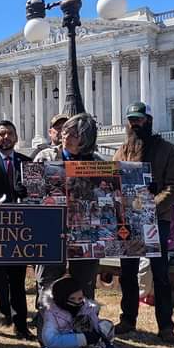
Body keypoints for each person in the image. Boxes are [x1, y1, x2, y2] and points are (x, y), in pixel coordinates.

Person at [112, 102, 174, 342]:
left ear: (149, 121)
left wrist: (151, 207)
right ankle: (127, 319)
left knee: (160, 274)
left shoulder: (167, 150)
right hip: (128, 223)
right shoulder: (121, 151)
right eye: (131, 119)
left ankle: (166, 325)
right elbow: (113, 184)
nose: (134, 123)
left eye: (139, 119)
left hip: (156, 221)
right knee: (127, 272)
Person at [33, 113, 106, 305]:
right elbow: (32, 195)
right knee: (48, 280)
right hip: (51, 230)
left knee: (84, 282)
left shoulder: (97, 163)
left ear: (85, 139)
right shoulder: (45, 157)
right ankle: (47, 325)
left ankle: (84, 324)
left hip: (84, 233)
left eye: (73, 134)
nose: (65, 137)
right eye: (65, 132)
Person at [0, 120, 32, 340]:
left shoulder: (26, 163)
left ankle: (20, 325)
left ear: (16, 137)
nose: (6, 137)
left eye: (10, 133)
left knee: (17, 280)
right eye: (1, 134)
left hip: (18, 230)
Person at [38, 276, 132, 348]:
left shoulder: (88, 309)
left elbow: (98, 329)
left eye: (80, 298)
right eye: (72, 298)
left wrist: (106, 328)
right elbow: (50, 341)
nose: (77, 302)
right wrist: (82, 338)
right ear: (61, 298)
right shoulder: (52, 315)